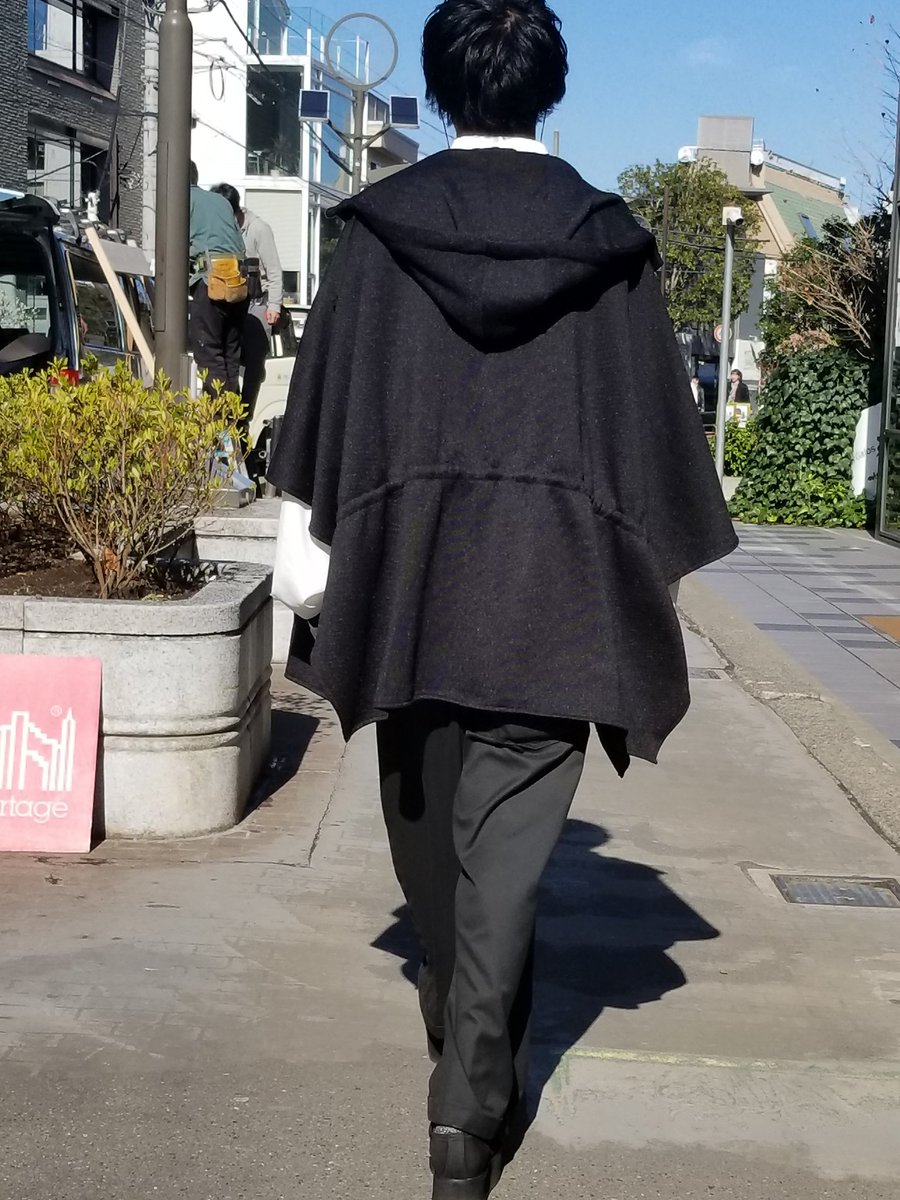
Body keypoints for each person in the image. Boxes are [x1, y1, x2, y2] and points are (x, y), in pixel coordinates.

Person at [268, 2, 737, 1196]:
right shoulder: (611, 244)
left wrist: (309, 573)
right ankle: (471, 1096)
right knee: (494, 882)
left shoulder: (375, 237)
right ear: (550, 90)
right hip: (560, 602)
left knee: (444, 881)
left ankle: (462, 1117)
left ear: (440, 83)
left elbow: (326, 422)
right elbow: (652, 441)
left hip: (406, 595)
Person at [211, 183, 284, 426]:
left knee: (255, 358)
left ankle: (245, 414)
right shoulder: (220, 229)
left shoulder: (258, 229)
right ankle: (222, 411)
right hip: (230, 300)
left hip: (256, 301)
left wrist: (274, 305)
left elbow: (273, 269)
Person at [188, 162, 246, 396]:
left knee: (209, 354)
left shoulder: (181, 199)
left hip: (211, 282)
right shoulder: (221, 202)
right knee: (230, 355)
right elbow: (238, 242)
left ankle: (220, 428)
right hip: (238, 284)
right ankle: (234, 428)